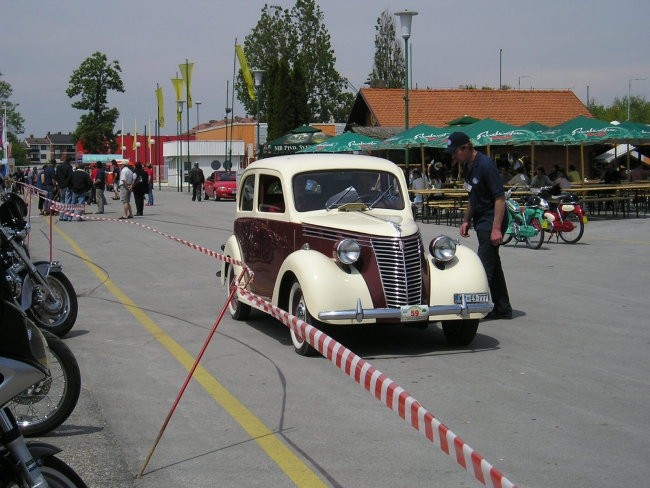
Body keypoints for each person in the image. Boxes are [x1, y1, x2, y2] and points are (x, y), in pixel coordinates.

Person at [449, 131, 512, 320]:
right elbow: (472, 196)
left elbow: (499, 198)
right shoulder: (468, 166)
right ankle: (503, 307)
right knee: (493, 262)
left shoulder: (485, 165)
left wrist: (496, 228)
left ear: (466, 148)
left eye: (455, 152)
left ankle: (477, 307)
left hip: (493, 218)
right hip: (481, 218)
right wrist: (466, 219)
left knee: (483, 265)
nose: (453, 156)